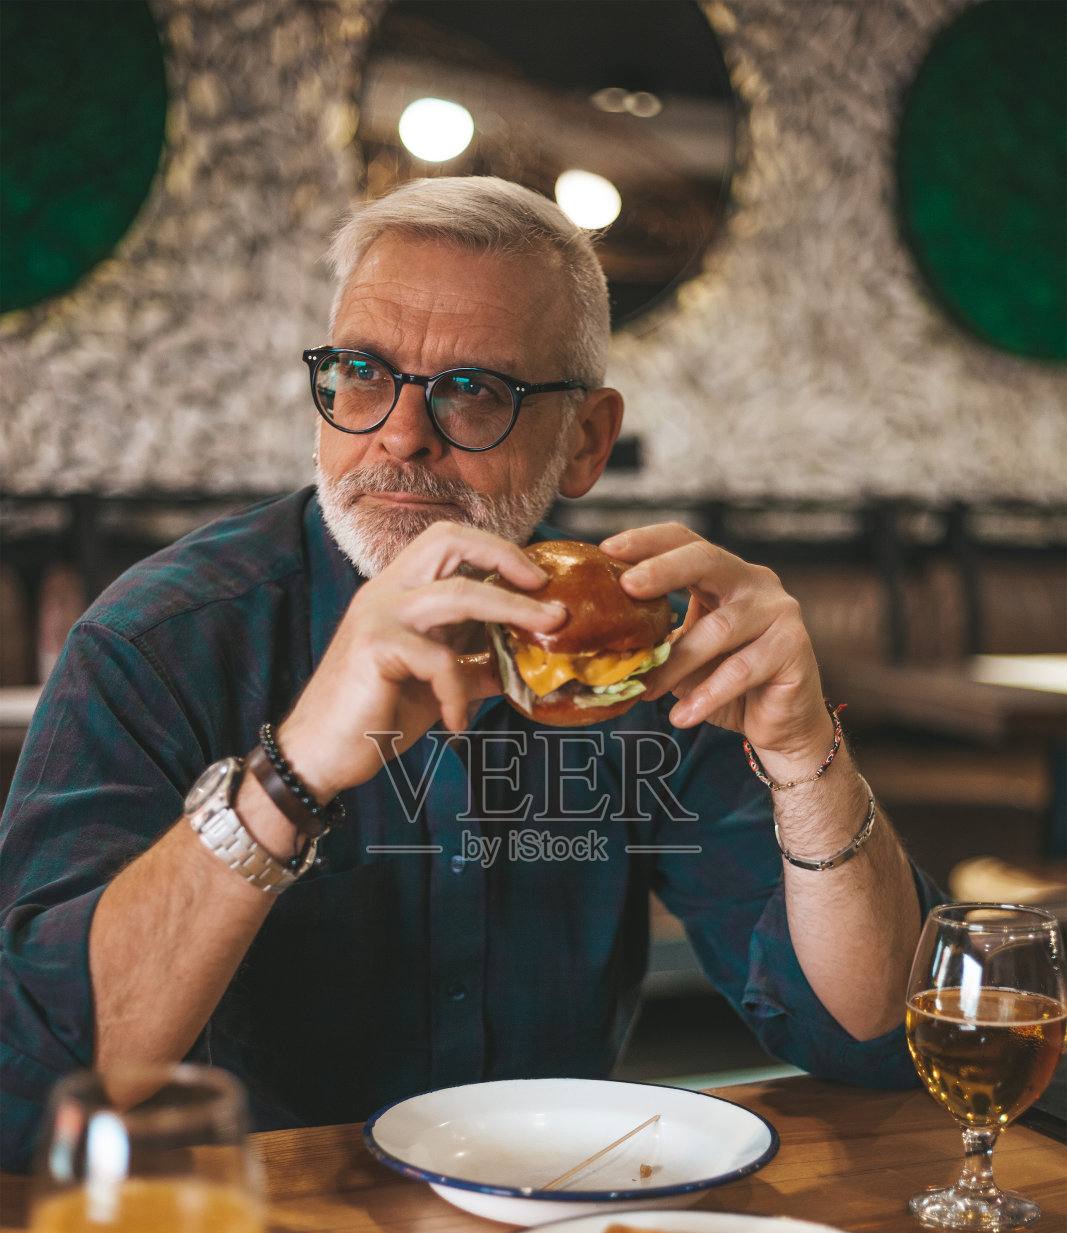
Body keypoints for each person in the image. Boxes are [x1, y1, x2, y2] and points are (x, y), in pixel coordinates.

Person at [0, 177, 935, 1171]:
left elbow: (872, 1034)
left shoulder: (631, 643)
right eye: (361, 372)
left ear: (584, 440)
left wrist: (804, 757)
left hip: (560, 1232)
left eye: (473, 390)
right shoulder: (164, 640)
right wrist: (294, 771)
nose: (399, 435)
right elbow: (28, 1088)